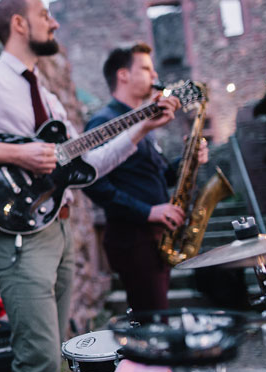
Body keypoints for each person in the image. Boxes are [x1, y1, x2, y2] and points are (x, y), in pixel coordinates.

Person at [0, 0, 178, 372]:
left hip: (59, 230)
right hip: (19, 235)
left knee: (52, 356)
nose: (54, 23)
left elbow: (90, 164)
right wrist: (18, 154)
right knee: (38, 358)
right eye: (45, 15)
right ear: (19, 24)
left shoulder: (50, 98)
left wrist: (142, 127)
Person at [83, 43, 208, 312]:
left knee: (157, 319)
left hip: (154, 238)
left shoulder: (142, 120)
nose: (155, 75)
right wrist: (147, 211)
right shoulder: (104, 122)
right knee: (152, 323)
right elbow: (92, 182)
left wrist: (188, 159)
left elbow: (157, 175)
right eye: (145, 68)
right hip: (133, 238)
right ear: (123, 75)